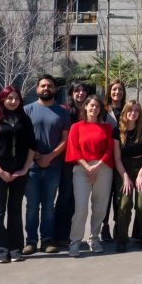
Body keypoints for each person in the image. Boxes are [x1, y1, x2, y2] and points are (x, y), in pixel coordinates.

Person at [0, 86, 37, 263]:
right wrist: (0, 171)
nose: (13, 101)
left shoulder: (24, 120)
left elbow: (32, 147)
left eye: (16, 98)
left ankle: (15, 249)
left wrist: (24, 169)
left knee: (15, 210)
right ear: (3, 100)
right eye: (10, 98)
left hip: (19, 172)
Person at [23, 75, 70, 256]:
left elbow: (65, 140)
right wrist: (35, 155)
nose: (46, 88)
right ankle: (31, 241)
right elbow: (23, 137)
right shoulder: (27, 110)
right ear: (37, 89)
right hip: (31, 166)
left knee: (49, 206)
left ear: (55, 89)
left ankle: (47, 240)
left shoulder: (62, 112)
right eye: (43, 85)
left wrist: (49, 157)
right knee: (32, 206)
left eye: (49, 86)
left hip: (53, 166)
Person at [65, 95, 114, 257]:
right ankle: (75, 241)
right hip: (81, 168)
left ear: (101, 110)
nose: (94, 109)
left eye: (97, 107)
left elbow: (109, 149)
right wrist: (88, 168)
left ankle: (94, 238)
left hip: (103, 168)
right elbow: (73, 149)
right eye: (91, 105)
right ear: (85, 107)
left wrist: (97, 166)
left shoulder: (106, 127)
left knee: (100, 207)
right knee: (81, 208)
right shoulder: (76, 127)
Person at [112, 100, 142, 251]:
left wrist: (141, 175)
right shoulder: (117, 131)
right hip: (123, 167)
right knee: (124, 203)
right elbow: (116, 157)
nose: (133, 113)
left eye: (136, 111)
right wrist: (125, 177)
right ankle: (122, 238)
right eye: (130, 110)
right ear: (124, 112)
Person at [53, 80, 89, 248]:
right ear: (71, 94)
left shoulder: (90, 111)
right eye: (76, 91)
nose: (80, 94)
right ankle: (60, 235)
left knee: (77, 200)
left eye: (82, 91)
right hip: (68, 161)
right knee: (65, 197)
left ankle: (73, 235)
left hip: (84, 161)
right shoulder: (64, 111)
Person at [100, 79, 126, 243]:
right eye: (114, 89)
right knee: (106, 196)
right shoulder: (103, 111)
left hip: (124, 159)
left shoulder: (127, 109)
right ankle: (104, 226)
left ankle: (118, 225)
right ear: (109, 91)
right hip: (107, 158)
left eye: (120, 90)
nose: (117, 92)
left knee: (120, 195)